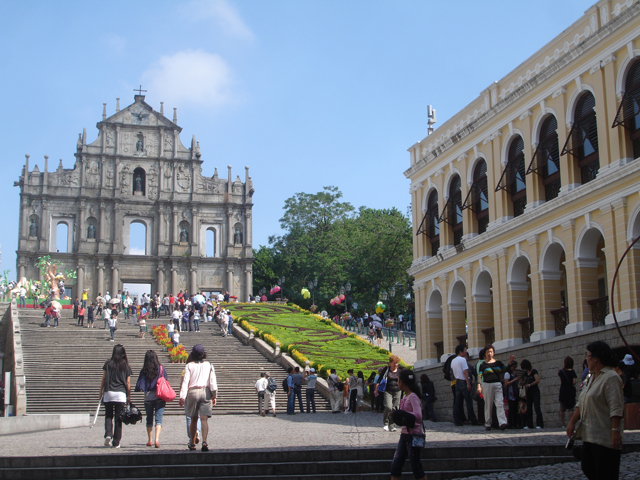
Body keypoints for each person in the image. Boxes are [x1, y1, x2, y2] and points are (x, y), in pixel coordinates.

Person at [566, 341, 624, 480]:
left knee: (605, 473)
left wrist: (615, 431)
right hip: (590, 435)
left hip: (604, 437)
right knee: (588, 467)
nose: (586, 359)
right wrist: (572, 422)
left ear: (596, 358)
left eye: (587, 355)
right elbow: (582, 401)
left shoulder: (611, 377)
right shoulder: (592, 376)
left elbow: (616, 406)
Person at [179, 344, 217, 451]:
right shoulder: (209, 365)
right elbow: (213, 382)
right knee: (204, 419)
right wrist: (214, 395)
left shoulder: (189, 366)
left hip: (192, 392)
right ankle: (204, 441)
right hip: (206, 392)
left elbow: (185, 382)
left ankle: (192, 443)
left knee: (193, 419)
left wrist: (182, 397)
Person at [390, 369, 427, 480]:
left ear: (402, 382)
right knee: (396, 466)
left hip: (413, 435)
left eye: (398, 380)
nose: (397, 383)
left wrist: (403, 414)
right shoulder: (405, 396)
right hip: (404, 434)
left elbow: (418, 416)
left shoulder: (413, 397)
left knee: (416, 467)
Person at [99, 344, 131, 448]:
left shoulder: (108, 364)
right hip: (120, 394)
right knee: (118, 418)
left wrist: (100, 392)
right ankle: (116, 442)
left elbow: (104, 378)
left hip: (109, 392)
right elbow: (128, 382)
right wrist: (128, 395)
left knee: (108, 415)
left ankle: (108, 434)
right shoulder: (125, 365)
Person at [135, 350, 167, 448]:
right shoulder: (161, 368)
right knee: (159, 418)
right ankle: (156, 439)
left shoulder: (144, 370)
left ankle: (149, 440)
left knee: (149, 418)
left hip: (148, 397)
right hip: (160, 396)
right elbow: (165, 380)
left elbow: (140, 384)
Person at [476, 344, 510, 431]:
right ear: (485, 353)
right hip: (487, 385)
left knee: (500, 403)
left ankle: (502, 423)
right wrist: (479, 386)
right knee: (488, 405)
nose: (489, 353)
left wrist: (510, 363)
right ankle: (488, 423)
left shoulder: (498, 363)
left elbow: (506, 370)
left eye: (491, 352)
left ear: (493, 353)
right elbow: (479, 375)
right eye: (488, 352)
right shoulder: (483, 365)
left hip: (497, 384)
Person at [452, 344, 478, 427]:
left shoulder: (453, 361)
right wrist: (468, 383)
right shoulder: (462, 360)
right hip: (464, 381)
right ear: (460, 351)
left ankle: (456, 420)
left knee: (458, 402)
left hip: (457, 381)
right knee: (468, 401)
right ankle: (473, 419)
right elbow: (465, 372)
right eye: (465, 350)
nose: (466, 351)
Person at [376, 355, 402, 432]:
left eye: (397, 363)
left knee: (395, 408)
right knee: (388, 407)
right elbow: (380, 379)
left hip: (398, 391)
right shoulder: (386, 370)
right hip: (388, 390)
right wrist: (376, 389)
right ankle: (386, 423)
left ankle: (392, 425)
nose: (396, 365)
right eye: (394, 363)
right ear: (390, 363)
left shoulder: (400, 371)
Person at [521, 359, 544, 429]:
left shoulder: (534, 371)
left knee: (537, 407)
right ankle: (529, 424)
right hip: (528, 392)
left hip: (535, 391)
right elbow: (524, 381)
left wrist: (530, 385)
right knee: (529, 408)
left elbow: (537, 380)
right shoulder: (526, 373)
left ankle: (540, 424)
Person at [558, 356, 577, 428]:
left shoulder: (561, 372)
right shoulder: (572, 372)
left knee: (562, 409)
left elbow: (561, 381)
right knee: (570, 409)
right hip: (570, 391)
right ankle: (570, 423)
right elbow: (574, 382)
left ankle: (563, 424)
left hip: (563, 390)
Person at [504, 362, 519, 428]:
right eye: (513, 367)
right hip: (510, 393)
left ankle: (515, 423)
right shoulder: (507, 374)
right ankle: (510, 423)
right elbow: (506, 383)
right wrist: (514, 380)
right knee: (511, 408)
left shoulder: (514, 374)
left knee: (515, 408)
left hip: (515, 392)